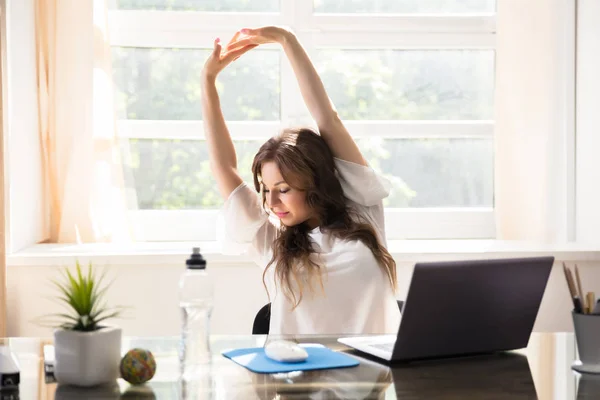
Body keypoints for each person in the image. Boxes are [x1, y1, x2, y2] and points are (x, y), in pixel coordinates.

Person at [201, 26, 401, 335]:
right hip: (297, 380)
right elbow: (222, 166)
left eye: (283, 189)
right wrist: (208, 81)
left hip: (373, 377)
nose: (271, 202)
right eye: (266, 190)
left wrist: (286, 40)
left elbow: (327, 119)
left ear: (316, 181)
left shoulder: (363, 209)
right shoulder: (271, 242)